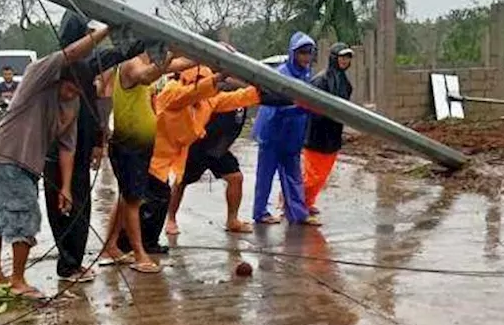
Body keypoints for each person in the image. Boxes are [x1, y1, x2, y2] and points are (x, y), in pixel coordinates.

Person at [0, 23, 111, 298]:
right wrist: (103, 32)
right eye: (68, 88)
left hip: (27, 164)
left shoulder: (72, 104)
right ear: (59, 78)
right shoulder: (37, 76)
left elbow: (67, 147)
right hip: (9, 155)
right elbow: (69, 53)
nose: (70, 94)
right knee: (24, 216)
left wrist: (65, 188)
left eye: (77, 92)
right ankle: (17, 282)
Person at [43, 13, 144, 284]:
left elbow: (119, 56)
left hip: (83, 142)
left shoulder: (89, 63)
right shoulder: (59, 64)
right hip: (60, 145)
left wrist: (99, 141)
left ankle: (73, 261)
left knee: (80, 202)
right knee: (64, 203)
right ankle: (68, 265)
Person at [149, 63, 284, 236]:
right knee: (178, 183)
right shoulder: (174, 91)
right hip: (189, 147)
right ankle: (171, 219)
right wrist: (217, 79)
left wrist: (261, 92)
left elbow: (239, 98)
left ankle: (232, 220)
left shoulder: (212, 98)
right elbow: (191, 93)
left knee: (236, 178)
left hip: (216, 147)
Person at [100, 48, 195, 273]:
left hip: (138, 144)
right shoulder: (131, 64)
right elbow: (148, 75)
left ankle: (111, 246)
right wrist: (171, 54)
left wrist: (203, 56)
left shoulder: (145, 64)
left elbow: (173, 66)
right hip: (129, 144)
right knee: (134, 201)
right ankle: (139, 254)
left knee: (127, 196)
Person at [252, 32, 317, 226]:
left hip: (292, 136)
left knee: (294, 176)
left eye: (309, 52)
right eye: (302, 52)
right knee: (265, 176)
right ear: (293, 53)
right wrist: (301, 108)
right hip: (272, 133)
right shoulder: (280, 75)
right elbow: (274, 108)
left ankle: (297, 214)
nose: (306, 57)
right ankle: (260, 212)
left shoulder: (306, 75)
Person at [301, 43, 355, 223]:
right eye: (342, 57)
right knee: (312, 176)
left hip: (333, 135)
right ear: (333, 58)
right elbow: (310, 108)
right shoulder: (321, 80)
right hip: (317, 134)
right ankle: (295, 204)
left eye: (347, 58)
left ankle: (307, 203)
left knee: (322, 175)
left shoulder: (345, 82)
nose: (345, 61)